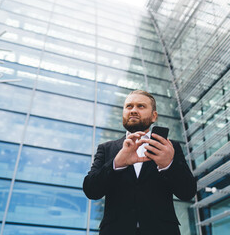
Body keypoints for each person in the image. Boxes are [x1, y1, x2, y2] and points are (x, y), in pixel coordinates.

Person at [83, 90, 197, 235]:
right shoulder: (107, 149)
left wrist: (168, 165)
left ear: (154, 116)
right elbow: (91, 190)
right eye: (129, 106)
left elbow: (187, 192)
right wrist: (117, 163)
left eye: (141, 106)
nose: (133, 111)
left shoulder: (169, 148)